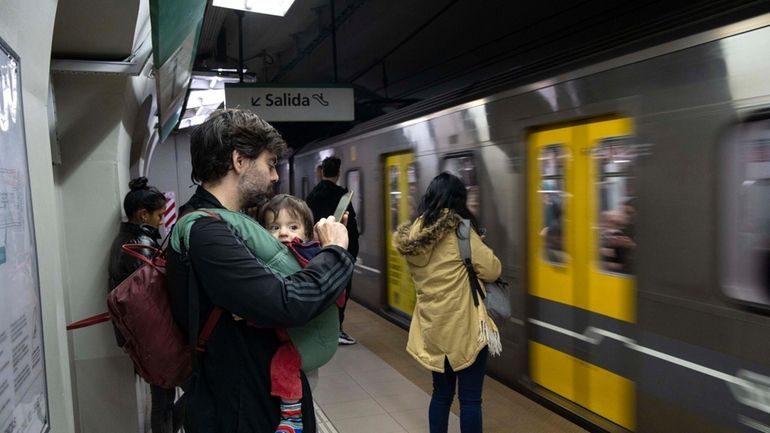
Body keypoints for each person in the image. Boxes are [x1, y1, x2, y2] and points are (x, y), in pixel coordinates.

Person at [166, 109, 354, 433]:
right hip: (240, 409)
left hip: (247, 399)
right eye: (269, 163)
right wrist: (335, 252)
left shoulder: (224, 225)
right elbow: (288, 302)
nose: (275, 176)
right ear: (239, 161)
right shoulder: (206, 233)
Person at [393, 172, 502, 433]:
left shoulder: (415, 232)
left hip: (433, 329)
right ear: (458, 200)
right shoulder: (461, 230)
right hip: (465, 329)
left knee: (441, 394)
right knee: (470, 399)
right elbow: (492, 270)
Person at [254, 194, 344, 433]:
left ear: (305, 233)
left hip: (304, 342)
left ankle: (292, 416)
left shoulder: (310, 256)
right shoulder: (268, 258)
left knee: (287, 368)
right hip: (290, 335)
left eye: (292, 226)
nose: (283, 233)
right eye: (274, 227)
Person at [107, 177, 180, 433]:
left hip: (142, 335)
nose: (162, 220)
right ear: (143, 214)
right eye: (159, 215)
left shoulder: (129, 239)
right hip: (152, 336)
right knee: (164, 397)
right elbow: (154, 294)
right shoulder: (142, 246)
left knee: (163, 395)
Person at [305, 156, 360, 345]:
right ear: (337, 173)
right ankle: (337, 329)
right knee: (342, 290)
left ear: (322, 172)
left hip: (317, 249)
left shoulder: (312, 195)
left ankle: (322, 327)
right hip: (339, 249)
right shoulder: (343, 196)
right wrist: (351, 252)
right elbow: (350, 226)